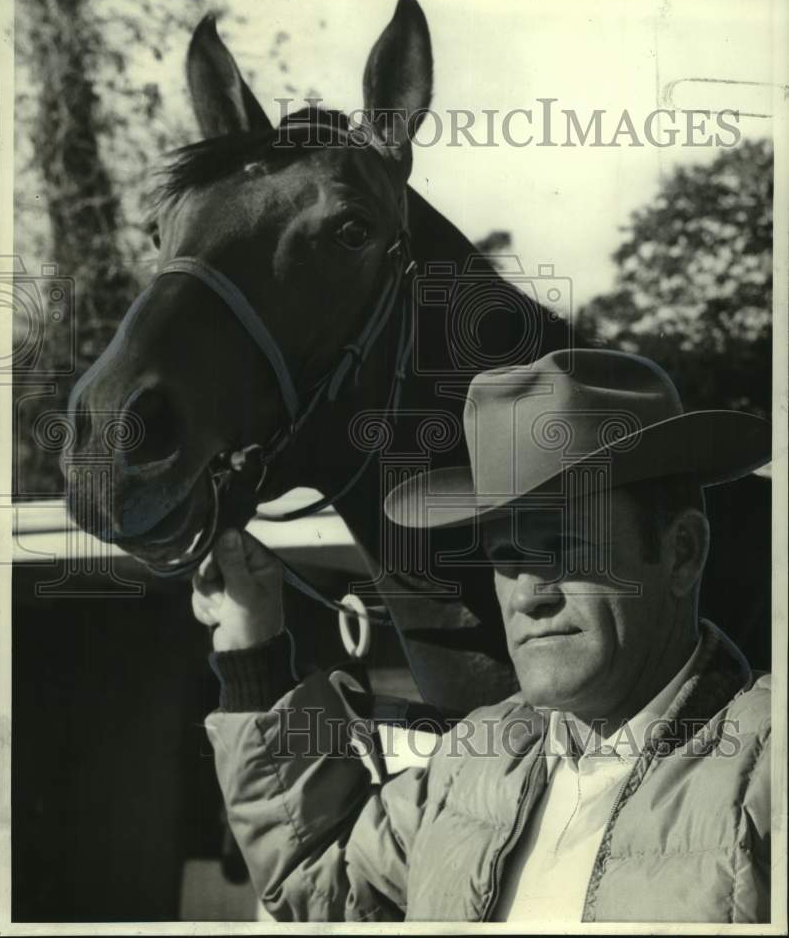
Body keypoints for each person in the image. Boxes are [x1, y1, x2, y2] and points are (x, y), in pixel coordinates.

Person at [192, 349, 771, 923]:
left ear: (681, 553)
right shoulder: (474, 761)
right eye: (505, 557)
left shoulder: (769, 772)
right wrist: (252, 641)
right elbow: (319, 882)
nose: (526, 594)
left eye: (562, 548)